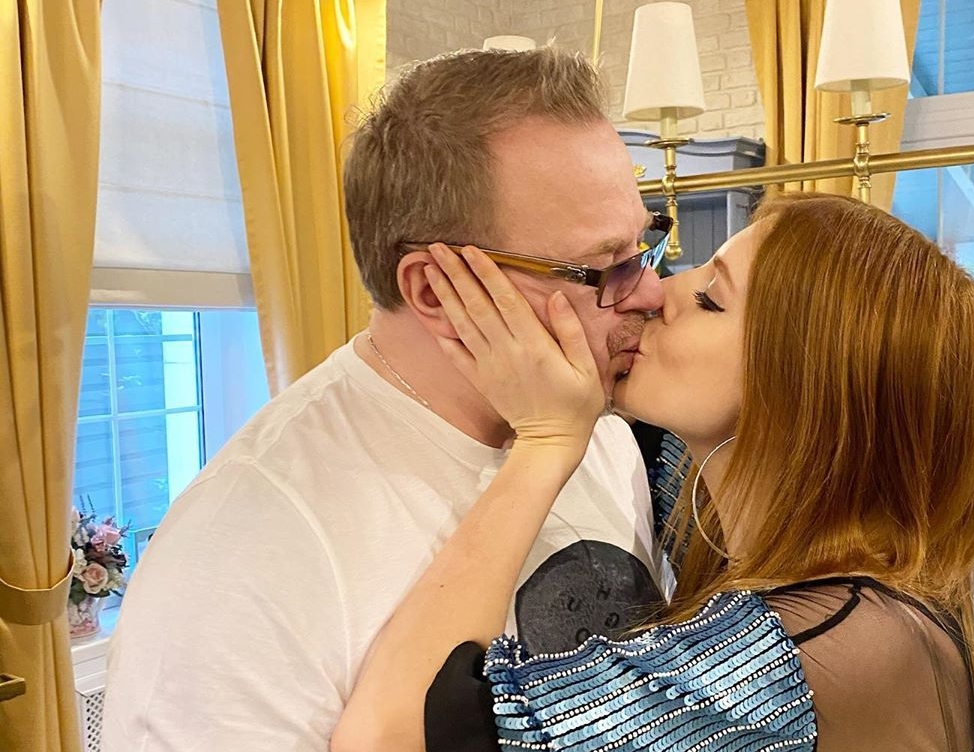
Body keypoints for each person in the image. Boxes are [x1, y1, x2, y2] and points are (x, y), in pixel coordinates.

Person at [101, 48, 673, 750]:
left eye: (643, 247)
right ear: (434, 290)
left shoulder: (598, 431)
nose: (650, 292)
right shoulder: (241, 548)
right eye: (602, 268)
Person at [331, 192, 974, 752]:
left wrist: (546, 441)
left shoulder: (844, 647)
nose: (654, 291)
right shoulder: (851, 610)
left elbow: (395, 737)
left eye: (710, 299)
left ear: (803, 393)